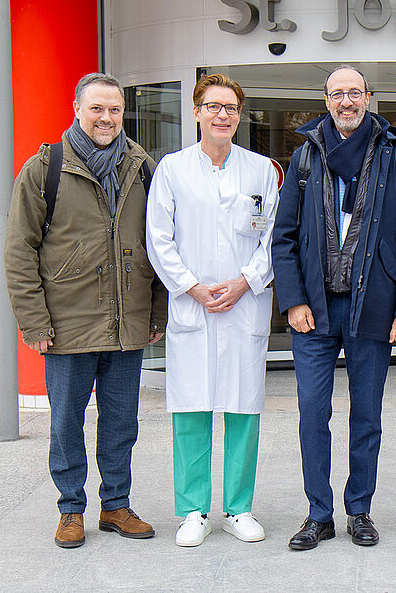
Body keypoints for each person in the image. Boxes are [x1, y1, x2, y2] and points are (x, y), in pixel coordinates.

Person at [5, 72, 167, 549]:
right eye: (97, 108)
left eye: (114, 110)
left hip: (127, 323)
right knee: (66, 422)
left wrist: (155, 313)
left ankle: (116, 505)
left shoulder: (142, 167)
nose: (106, 118)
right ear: (76, 109)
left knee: (122, 421)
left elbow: (158, 247)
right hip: (67, 325)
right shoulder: (44, 169)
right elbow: (19, 250)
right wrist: (33, 320)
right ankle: (70, 509)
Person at [272, 65, 396, 550]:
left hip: (374, 309)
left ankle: (359, 510)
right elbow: (284, 239)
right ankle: (318, 513)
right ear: (325, 99)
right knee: (312, 413)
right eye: (337, 93)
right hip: (313, 313)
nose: (346, 101)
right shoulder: (304, 157)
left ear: (367, 98)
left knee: (366, 416)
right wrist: (293, 301)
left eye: (354, 93)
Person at [145, 74, 278, 548]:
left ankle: (239, 508)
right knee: (192, 408)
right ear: (197, 112)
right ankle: (193, 510)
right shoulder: (173, 169)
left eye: (231, 107)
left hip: (244, 305)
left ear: (239, 116)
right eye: (213, 106)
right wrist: (193, 288)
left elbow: (272, 238)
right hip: (193, 308)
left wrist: (245, 282)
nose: (223, 114)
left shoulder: (261, 169)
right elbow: (159, 238)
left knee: (244, 408)